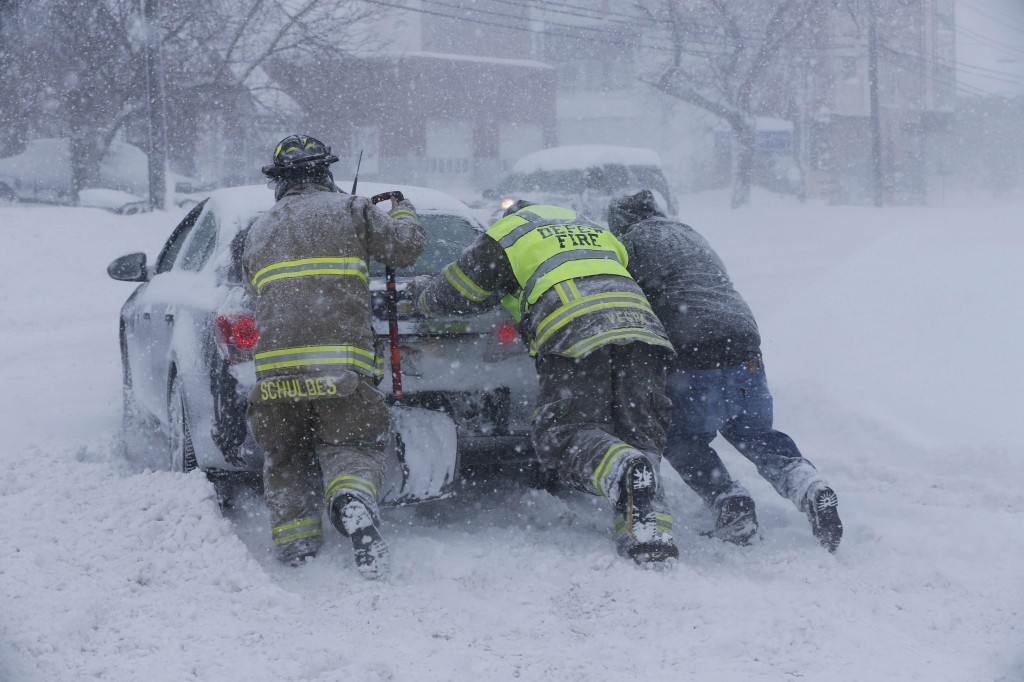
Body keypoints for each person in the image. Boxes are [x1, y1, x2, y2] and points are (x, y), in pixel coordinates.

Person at [410, 199, 679, 565]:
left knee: (566, 433)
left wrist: (420, 294)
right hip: (644, 333)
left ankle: (623, 468)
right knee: (639, 431)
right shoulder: (593, 228)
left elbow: (453, 294)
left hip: (576, 332)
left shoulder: (507, 235)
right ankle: (649, 533)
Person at [605, 190, 843, 552]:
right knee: (755, 432)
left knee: (681, 438)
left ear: (619, 223)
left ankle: (730, 502)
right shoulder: (687, 232)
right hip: (745, 346)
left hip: (694, 353)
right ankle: (810, 486)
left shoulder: (628, 245)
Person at [242, 134, 425, 577]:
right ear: (325, 172)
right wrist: (401, 208)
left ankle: (296, 548)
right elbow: (406, 248)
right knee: (352, 445)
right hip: (341, 369)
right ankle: (352, 498)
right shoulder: (353, 209)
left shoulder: (258, 228)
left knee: (286, 456)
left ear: (279, 182)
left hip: (274, 374)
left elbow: (256, 292)